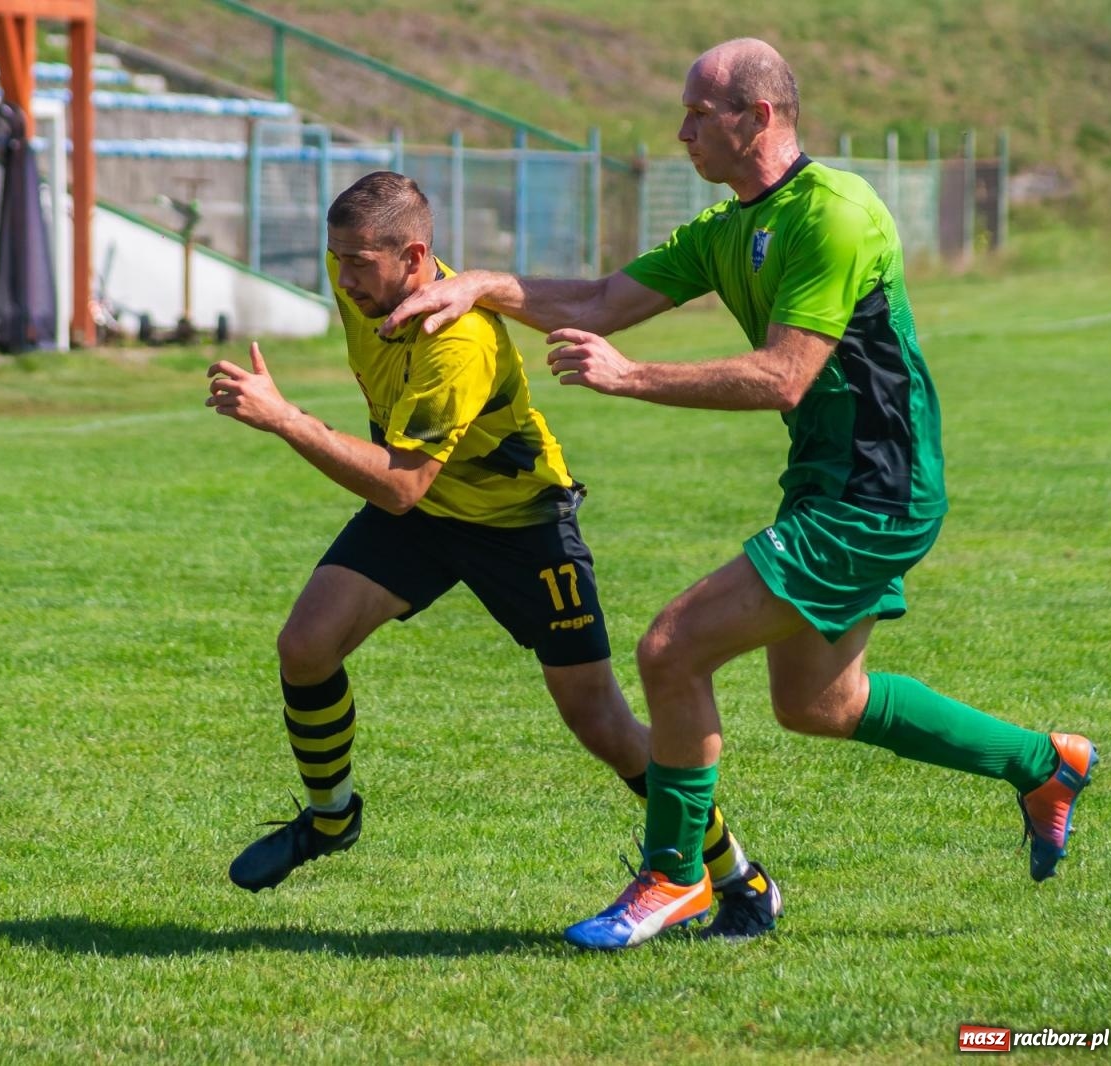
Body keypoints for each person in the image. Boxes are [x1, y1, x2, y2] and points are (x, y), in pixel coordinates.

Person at [383, 38, 1096, 951]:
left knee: (672, 650)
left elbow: (784, 375)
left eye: (697, 114)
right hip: (829, 485)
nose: (681, 132)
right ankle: (1045, 764)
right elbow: (600, 298)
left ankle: (676, 875)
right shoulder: (728, 230)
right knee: (819, 705)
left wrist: (631, 379)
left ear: (757, 118)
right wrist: (481, 284)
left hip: (875, 494)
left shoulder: (835, 214)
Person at [206, 170, 782, 938]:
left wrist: (286, 419)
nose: (343, 279)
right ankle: (331, 819)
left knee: (599, 721)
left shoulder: (461, 342)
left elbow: (402, 486)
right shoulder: (364, 286)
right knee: (305, 646)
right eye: (334, 258)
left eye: (359, 262)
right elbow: (411, 491)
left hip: (518, 522)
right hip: (427, 509)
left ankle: (737, 878)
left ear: (415, 257)